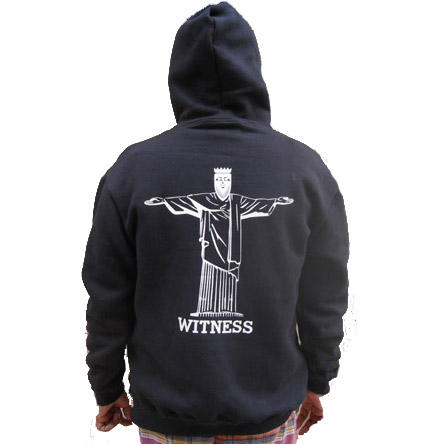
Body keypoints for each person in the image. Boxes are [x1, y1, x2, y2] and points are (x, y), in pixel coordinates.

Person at [83, 2, 349, 444]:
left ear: (179, 77)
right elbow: (326, 294)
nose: (223, 185)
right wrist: (318, 380)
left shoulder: (133, 170)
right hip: (265, 408)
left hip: (172, 415)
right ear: (253, 72)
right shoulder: (305, 169)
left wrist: (106, 388)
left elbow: (108, 297)